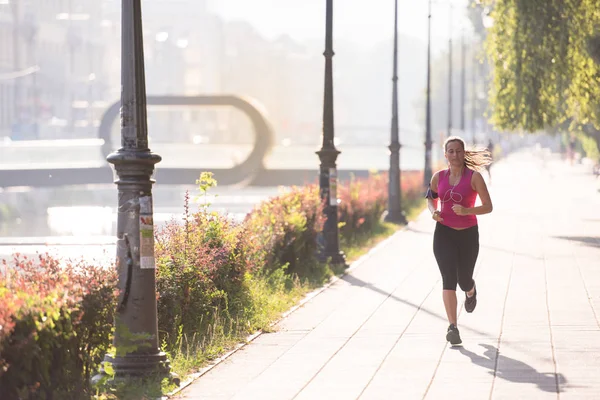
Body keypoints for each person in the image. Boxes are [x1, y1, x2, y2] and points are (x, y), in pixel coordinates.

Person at [425, 136, 493, 346]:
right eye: (450, 151)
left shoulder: (474, 178)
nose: (454, 155)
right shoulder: (438, 177)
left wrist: (466, 210)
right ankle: (453, 327)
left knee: (464, 279)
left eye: (458, 151)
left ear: (464, 153)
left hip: (468, 234)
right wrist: (433, 211)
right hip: (443, 233)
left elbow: (488, 206)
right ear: (445, 155)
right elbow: (430, 198)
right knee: (448, 278)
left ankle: (470, 291)